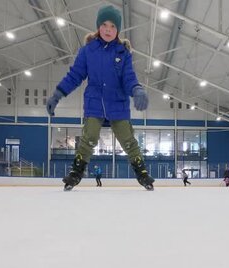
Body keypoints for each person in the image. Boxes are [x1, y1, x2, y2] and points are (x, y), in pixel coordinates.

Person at [46, 5, 154, 191]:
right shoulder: (88, 51)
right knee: (88, 138)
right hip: (94, 103)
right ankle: (76, 173)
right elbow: (75, 75)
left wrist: (137, 89)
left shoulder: (122, 52)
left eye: (113, 26)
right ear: (98, 26)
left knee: (128, 140)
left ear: (118, 30)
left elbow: (129, 77)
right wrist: (58, 94)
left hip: (118, 104)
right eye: (104, 25)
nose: (108, 30)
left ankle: (142, 172)